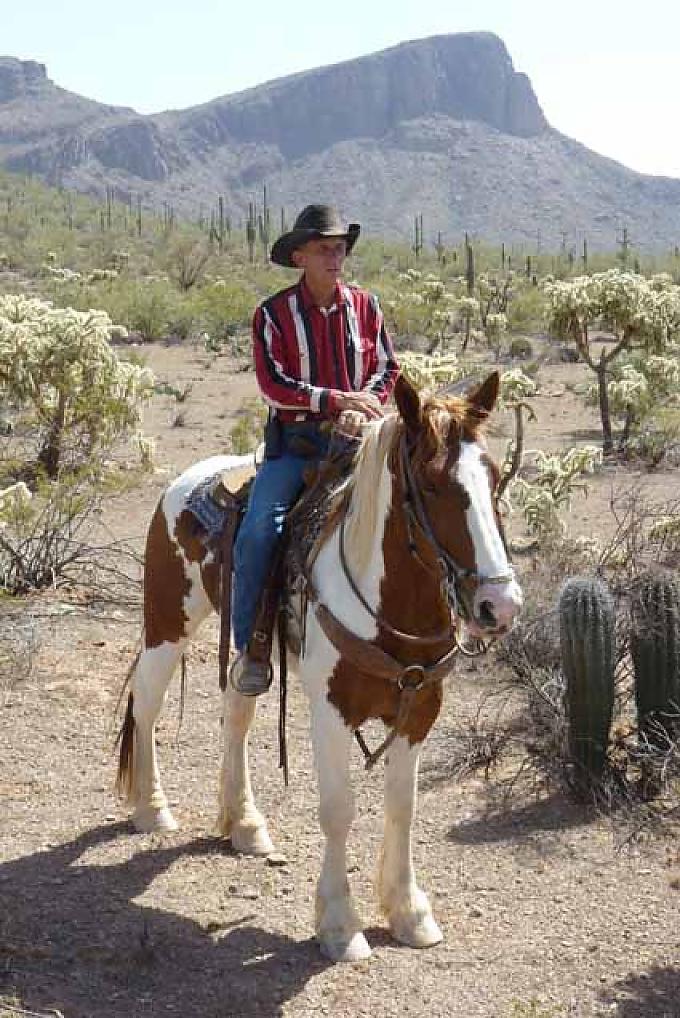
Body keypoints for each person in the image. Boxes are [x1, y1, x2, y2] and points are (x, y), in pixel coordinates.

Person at [229, 203, 400, 695]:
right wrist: (332, 401)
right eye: (324, 248)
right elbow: (273, 385)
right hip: (298, 450)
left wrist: (365, 404)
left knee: (420, 506)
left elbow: (389, 368)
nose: (335, 257)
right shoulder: (273, 315)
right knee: (260, 530)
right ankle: (253, 646)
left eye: (340, 248)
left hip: (360, 442)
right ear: (300, 256)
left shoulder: (366, 307)